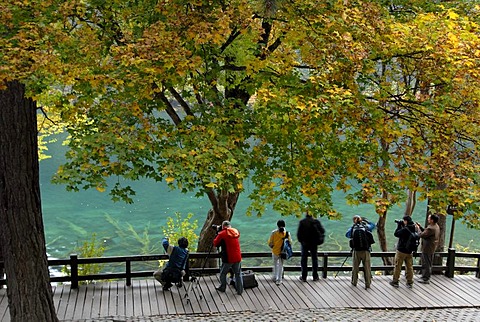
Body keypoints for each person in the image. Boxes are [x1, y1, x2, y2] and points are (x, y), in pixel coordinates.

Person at [213, 220, 243, 295]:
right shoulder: (236, 231)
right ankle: (240, 290)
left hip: (228, 257)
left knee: (223, 273)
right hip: (237, 256)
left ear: (223, 226)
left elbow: (215, 243)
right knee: (238, 274)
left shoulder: (222, 234)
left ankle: (223, 287)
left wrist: (217, 233)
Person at [345, 215, 376, 289]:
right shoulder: (366, 227)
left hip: (356, 251)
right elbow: (373, 225)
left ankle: (354, 282)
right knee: (367, 268)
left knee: (355, 268)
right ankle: (368, 283)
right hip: (366, 251)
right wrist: (367, 221)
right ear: (361, 220)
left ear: (354, 221)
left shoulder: (352, 229)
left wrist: (353, 227)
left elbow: (347, 235)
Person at [389, 215, 419, 289]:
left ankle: (395, 281)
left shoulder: (405, 229)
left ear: (405, 221)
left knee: (397, 266)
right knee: (409, 267)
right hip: (409, 251)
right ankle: (410, 282)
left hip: (401, 251)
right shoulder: (414, 228)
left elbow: (396, 234)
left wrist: (399, 226)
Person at [297, 211, 325, 282]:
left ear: (305, 214)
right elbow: (322, 231)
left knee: (304, 260)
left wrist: (302, 241)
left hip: (305, 244)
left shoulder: (302, 222)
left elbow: (299, 234)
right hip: (314, 243)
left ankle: (304, 276)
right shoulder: (316, 222)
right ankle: (315, 276)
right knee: (314, 259)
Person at [416, 214, 440, 284]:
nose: (428, 219)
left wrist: (417, 229)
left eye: (429, 218)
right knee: (428, 262)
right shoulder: (436, 226)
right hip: (432, 247)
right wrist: (420, 227)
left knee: (426, 263)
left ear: (432, 220)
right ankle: (425, 276)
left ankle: (426, 278)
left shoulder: (431, 228)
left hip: (427, 248)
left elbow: (421, 235)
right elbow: (426, 233)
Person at [268, 219, 292, 285]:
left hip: (275, 251)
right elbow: (290, 242)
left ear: (277, 225)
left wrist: (273, 246)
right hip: (282, 252)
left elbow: (270, 243)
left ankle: (275, 277)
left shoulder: (273, 233)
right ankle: (279, 280)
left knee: (275, 264)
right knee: (281, 265)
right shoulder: (287, 233)